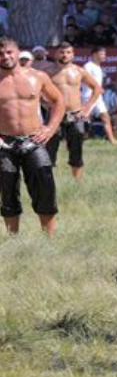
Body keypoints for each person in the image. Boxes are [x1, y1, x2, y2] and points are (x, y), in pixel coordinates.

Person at [0, 37, 65, 235]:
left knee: (45, 189)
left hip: (34, 140)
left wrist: (50, 128)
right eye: (1, 53)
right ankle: (13, 238)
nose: (5, 57)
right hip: (4, 142)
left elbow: (58, 101)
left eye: (9, 52)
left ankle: (49, 241)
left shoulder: (37, 76)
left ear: (18, 52)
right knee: (7, 191)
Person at [43, 42, 103, 181]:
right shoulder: (48, 72)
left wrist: (87, 107)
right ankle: (47, 180)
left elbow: (97, 88)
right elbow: (36, 90)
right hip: (54, 114)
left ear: (73, 54)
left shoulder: (79, 71)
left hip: (75, 114)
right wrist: (44, 102)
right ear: (55, 53)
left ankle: (77, 182)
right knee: (49, 146)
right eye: (62, 52)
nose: (65, 55)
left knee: (77, 149)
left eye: (68, 52)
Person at [82, 46, 117, 144]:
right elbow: (85, 80)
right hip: (88, 96)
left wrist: (100, 88)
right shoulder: (88, 66)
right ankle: (82, 138)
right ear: (94, 54)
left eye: (104, 54)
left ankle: (112, 140)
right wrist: (96, 87)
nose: (104, 56)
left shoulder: (98, 67)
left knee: (105, 117)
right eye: (102, 54)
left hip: (98, 96)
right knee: (85, 118)